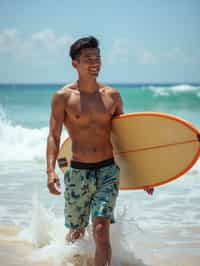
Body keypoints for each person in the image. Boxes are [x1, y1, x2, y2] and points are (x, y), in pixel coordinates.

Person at [46, 36, 154, 266]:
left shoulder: (112, 96)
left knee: (100, 228)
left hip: (107, 171)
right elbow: (54, 136)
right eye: (88, 59)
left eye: (98, 58)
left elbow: (124, 137)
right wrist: (50, 171)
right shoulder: (63, 97)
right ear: (75, 63)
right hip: (77, 172)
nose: (94, 63)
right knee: (76, 232)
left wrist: (144, 173)